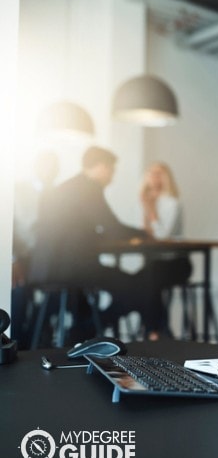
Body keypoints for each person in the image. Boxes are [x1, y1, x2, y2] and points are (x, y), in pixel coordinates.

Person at [29, 146, 158, 343]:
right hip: (74, 269)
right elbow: (112, 227)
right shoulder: (88, 187)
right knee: (138, 285)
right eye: (112, 170)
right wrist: (144, 234)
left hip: (46, 269)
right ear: (101, 167)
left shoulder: (64, 188)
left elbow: (72, 229)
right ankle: (94, 330)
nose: (112, 177)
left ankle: (82, 331)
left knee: (114, 288)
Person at [11, 150, 60, 348]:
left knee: (67, 289)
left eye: (53, 167)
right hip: (22, 256)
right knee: (19, 292)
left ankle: (37, 332)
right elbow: (7, 226)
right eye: (45, 166)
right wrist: (12, 259)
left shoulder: (59, 195)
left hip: (50, 259)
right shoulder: (17, 190)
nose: (49, 171)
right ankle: (17, 339)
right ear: (36, 167)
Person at [138, 162, 192, 341]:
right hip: (155, 262)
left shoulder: (171, 203)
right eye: (151, 173)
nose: (154, 177)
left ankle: (154, 331)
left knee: (150, 276)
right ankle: (160, 329)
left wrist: (151, 211)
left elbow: (161, 235)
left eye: (159, 173)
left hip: (176, 263)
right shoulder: (147, 201)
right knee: (140, 278)